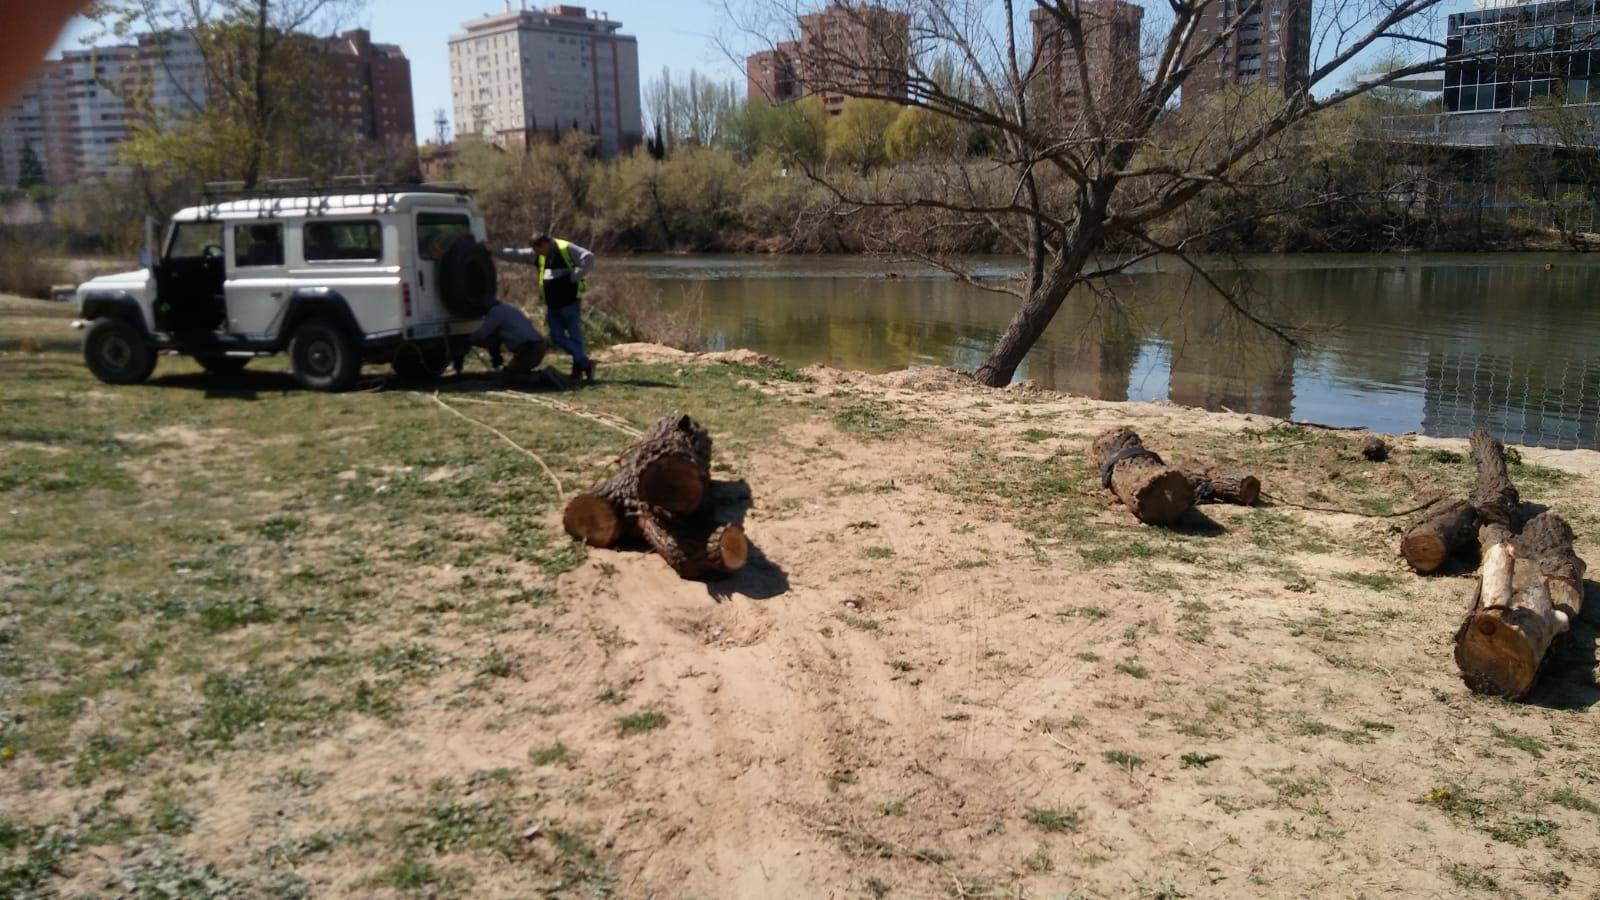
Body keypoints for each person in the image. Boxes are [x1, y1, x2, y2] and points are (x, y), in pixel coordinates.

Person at [493, 234, 596, 383]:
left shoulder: (564, 248)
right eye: (535, 250)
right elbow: (515, 254)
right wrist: (492, 251)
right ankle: (585, 362)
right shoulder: (537, 254)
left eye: (539, 249)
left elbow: (589, 257)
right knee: (556, 337)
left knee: (575, 337)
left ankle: (578, 370)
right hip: (553, 305)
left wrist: (573, 277)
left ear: (546, 243)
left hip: (570, 303)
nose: (538, 253)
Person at [462, 300, 550, 384]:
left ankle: (540, 378)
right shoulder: (508, 309)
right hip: (538, 345)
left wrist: (468, 340)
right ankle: (538, 376)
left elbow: (482, 333)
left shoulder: (496, 312)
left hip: (529, 349)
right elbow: (496, 339)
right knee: (518, 370)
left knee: (508, 377)